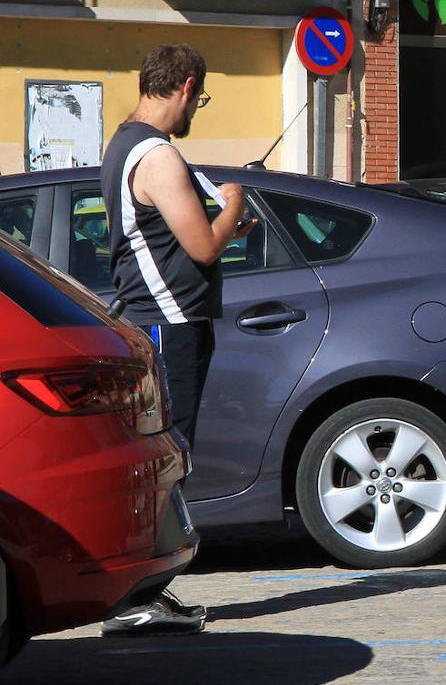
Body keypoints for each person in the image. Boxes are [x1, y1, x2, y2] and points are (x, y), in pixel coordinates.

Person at [99, 44, 255, 635]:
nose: (198, 109)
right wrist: (234, 204)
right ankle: (134, 598)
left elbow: (171, 239)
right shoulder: (158, 155)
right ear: (187, 87)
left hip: (159, 317)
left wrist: (225, 224)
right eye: (203, 98)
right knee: (166, 460)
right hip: (168, 323)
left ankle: (144, 594)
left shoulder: (122, 140)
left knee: (163, 459)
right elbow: (202, 247)